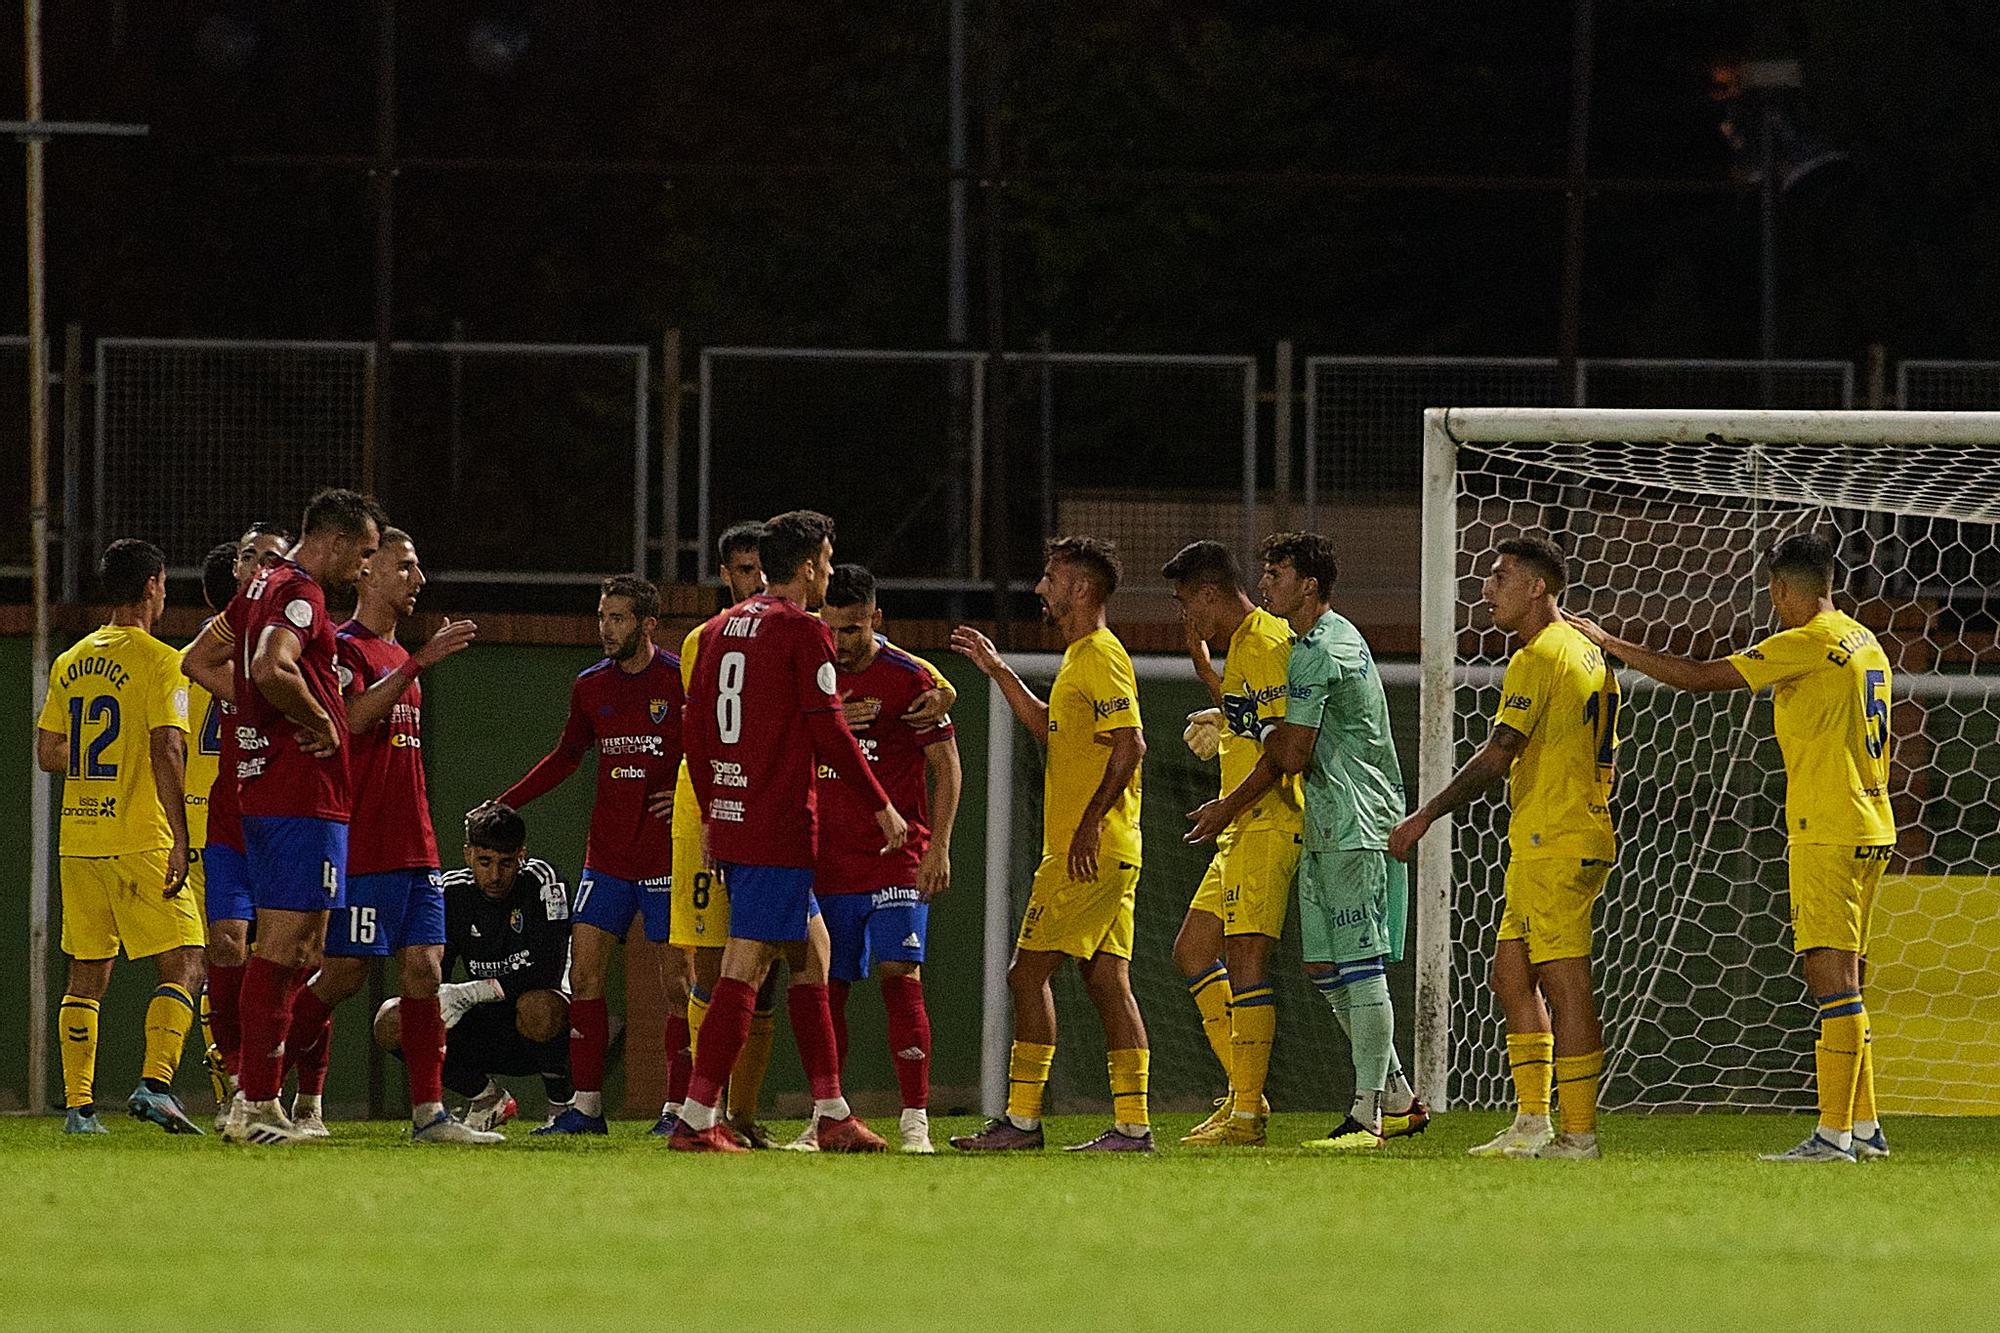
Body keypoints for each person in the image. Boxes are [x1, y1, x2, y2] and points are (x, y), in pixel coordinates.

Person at [1567, 531, 1894, 1164]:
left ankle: (1832, 1138)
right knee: (1848, 978)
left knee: (1831, 979)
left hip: (1828, 829)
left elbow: (1696, 679)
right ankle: (1866, 1127)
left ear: (1779, 590)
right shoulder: (1865, 638)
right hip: (1873, 824)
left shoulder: (1806, 642)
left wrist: (1610, 643)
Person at [671, 509, 907, 1153]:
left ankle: (831, 1111)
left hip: (738, 816)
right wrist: (881, 804)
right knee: (745, 965)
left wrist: (717, 811)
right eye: (827, 562)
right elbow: (829, 728)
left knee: (814, 952)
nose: (830, 572)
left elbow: (694, 733)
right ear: (807, 567)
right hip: (777, 820)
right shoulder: (802, 631)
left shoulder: (719, 628)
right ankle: (695, 1119)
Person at [1190, 533, 1426, 1149]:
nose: (1264, 582)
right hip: (1325, 821)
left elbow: (1290, 753)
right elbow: (1285, 736)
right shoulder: (1303, 646)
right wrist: (1232, 713)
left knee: (1358, 962)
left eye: (1276, 572)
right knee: (1324, 964)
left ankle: (1366, 1114)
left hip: (1357, 821)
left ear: (1309, 585)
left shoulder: (1321, 649)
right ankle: (1398, 1098)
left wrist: (1226, 803)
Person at [1389, 534, 1617, 1161]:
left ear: (1538, 587)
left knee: (1566, 985)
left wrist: (1425, 815)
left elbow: (1498, 754)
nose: (1486, 590)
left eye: (1501, 576)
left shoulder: (1540, 655)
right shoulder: (1586, 649)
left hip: (1557, 837)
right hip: (1552, 834)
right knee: (1511, 976)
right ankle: (1533, 1121)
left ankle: (1578, 1133)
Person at [183, 487, 386, 1145]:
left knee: (282, 946)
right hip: (302, 792)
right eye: (364, 553)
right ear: (333, 541)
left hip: (262, 787)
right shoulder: (302, 590)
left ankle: (254, 1097)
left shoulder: (257, 582)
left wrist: (259, 716)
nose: (364, 568)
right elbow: (273, 666)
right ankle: (259, 1101)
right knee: (291, 947)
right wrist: (316, 716)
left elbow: (209, 660)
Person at [281, 528, 494, 1143]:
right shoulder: (342, 648)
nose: (417, 580)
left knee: (425, 971)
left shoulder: (402, 659)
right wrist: (417, 665)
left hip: (415, 844)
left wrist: (413, 665)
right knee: (343, 975)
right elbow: (345, 722)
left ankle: (429, 1116)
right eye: (404, 567)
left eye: (417, 568)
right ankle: (255, 1078)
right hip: (365, 844)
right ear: (366, 570)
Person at [949, 536, 1154, 1152]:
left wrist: (1089, 821)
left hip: (1086, 851)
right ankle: (1133, 1127)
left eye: (1051, 577)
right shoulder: (1079, 658)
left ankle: (1021, 1121)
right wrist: (999, 671)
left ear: (1082, 589)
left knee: (1024, 975)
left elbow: (1131, 745)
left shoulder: (1100, 656)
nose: (1041, 588)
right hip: (1105, 849)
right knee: (1107, 984)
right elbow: (1049, 730)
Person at [495, 575, 681, 1136]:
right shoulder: (590, 685)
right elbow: (566, 756)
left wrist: (695, 795)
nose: (606, 628)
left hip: (668, 859)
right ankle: (587, 1107)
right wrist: (503, 803)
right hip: (607, 860)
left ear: (647, 625)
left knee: (679, 983)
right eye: (603, 616)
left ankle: (681, 1111)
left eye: (618, 618)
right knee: (586, 972)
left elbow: (713, 748)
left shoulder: (679, 679)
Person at [35, 539, 205, 1135]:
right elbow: (168, 746)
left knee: (88, 973)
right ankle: (156, 1085)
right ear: (155, 585)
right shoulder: (162, 660)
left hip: (79, 837)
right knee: (185, 957)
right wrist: (181, 838)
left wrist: (96, 753)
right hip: (139, 836)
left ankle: (79, 1110)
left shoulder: (69, 661)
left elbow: (48, 752)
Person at [793, 563, 962, 1154]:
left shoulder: (911, 678)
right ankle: (827, 1116)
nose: (841, 643)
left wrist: (937, 845)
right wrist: (832, 713)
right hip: (829, 860)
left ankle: (915, 1120)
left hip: (897, 853)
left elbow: (946, 764)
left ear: (877, 620)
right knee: (827, 983)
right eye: (833, 629)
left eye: (855, 630)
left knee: (900, 974)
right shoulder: (811, 675)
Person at [1161, 539, 1304, 1146]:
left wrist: (1225, 807)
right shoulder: (1242, 644)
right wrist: (1209, 686)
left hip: (1267, 821)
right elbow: (1256, 721)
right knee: (1194, 951)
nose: (1183, 614)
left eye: (1185, 602)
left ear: (1210, 594)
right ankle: (1246, 1097)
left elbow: (1285, 750)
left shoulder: (1267, 640)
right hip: (1242, 825)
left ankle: (1246, 1114)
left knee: (1246, 960)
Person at [183, 523, 292, 1130]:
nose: (255, 565)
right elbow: (194, 663)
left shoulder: (296, 629)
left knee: (292, 957)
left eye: (269, 558)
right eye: (248, 556)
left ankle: (287, 1092)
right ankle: (236, 1086)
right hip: (227, 819)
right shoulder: (223, 633)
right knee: (225, 946)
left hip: (284, 820)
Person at [376, 803, 573, 1133]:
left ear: (521, 855)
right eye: (485, 862)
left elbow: (546, 972)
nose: (495, 875)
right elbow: (436, 971)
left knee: (539, 1006)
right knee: (392, 1020)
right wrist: (443, 999)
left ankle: (562, 1106)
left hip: (542, 1029)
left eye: (506, 863)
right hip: (485, 1024)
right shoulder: (450, 892)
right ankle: (485, 1097)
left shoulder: (545, 884)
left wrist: (471, 991)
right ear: (468, 855)